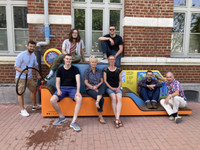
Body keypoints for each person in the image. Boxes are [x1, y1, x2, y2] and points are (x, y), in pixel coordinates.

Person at [50, 54, 82, 131]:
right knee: (52, 100)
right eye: (67, 59)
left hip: (72, 89)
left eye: (70, 59)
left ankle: (73, 122)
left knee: (79, 99)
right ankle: (61, 117)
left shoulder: (75, 69)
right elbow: (57, 82)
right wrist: (58, 90)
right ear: (64, 59)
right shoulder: (60, 69)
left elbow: (78, 81)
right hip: (62, 88)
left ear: (71, 60)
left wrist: (77, 92)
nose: (68, 60)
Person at [15, 40, 41, 117]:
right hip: (21, 78)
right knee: (21, 93)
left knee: (34, 90)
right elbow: (16, 67)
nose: (32, 48)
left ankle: (35, 105)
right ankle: (22, 109)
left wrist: (38, 74)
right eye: (30, 46)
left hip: (29, 77)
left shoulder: (33, 55)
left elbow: (35, 65)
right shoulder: (21, 55)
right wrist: (23, 71)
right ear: (27, 46)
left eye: (33, 47)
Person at [84, 55, 106, 124]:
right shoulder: (87, 71)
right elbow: (86, 83)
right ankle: (100, 116)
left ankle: (97, 102)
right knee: (102, 99)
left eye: (95, 62)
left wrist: (96, 86)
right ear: (90, 63)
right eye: (92, 62)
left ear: (97, 63)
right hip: (90, 89)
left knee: (104, 84)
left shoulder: (99, 71)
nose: (94, 63)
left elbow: (102, 81)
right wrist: (93, 88)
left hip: (98, 87)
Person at [103, 55, 123, 128]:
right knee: (114, 98)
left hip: (117, 87)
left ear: (115, 60)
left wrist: (118, 87)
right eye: (110, 59)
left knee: (119, 97)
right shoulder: (105, 70)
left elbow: (120, 80)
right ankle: (117, 119)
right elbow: (105, 81)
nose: (111, 61)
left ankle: (116, 118)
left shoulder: (119, 70)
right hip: (109, 88)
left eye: (113, 59)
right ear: (108, 61)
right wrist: (111, 88)